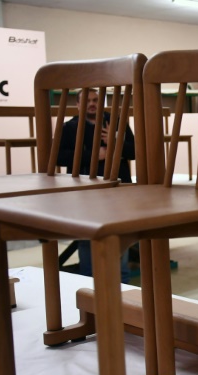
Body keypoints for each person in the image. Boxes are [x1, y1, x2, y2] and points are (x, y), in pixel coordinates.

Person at [58, 89, 135, 282]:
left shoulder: (117, 121)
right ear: (78, 105)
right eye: (87, 101)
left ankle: (122, 285)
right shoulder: (70, 127)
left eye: (95, 100)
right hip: (85, 190)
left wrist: (114, 142)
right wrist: (94, 156)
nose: (92, 103)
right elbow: (60, 156)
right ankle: (89, 286)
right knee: (86, 237)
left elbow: (135, 151)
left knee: (119, 236)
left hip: (118, 188)